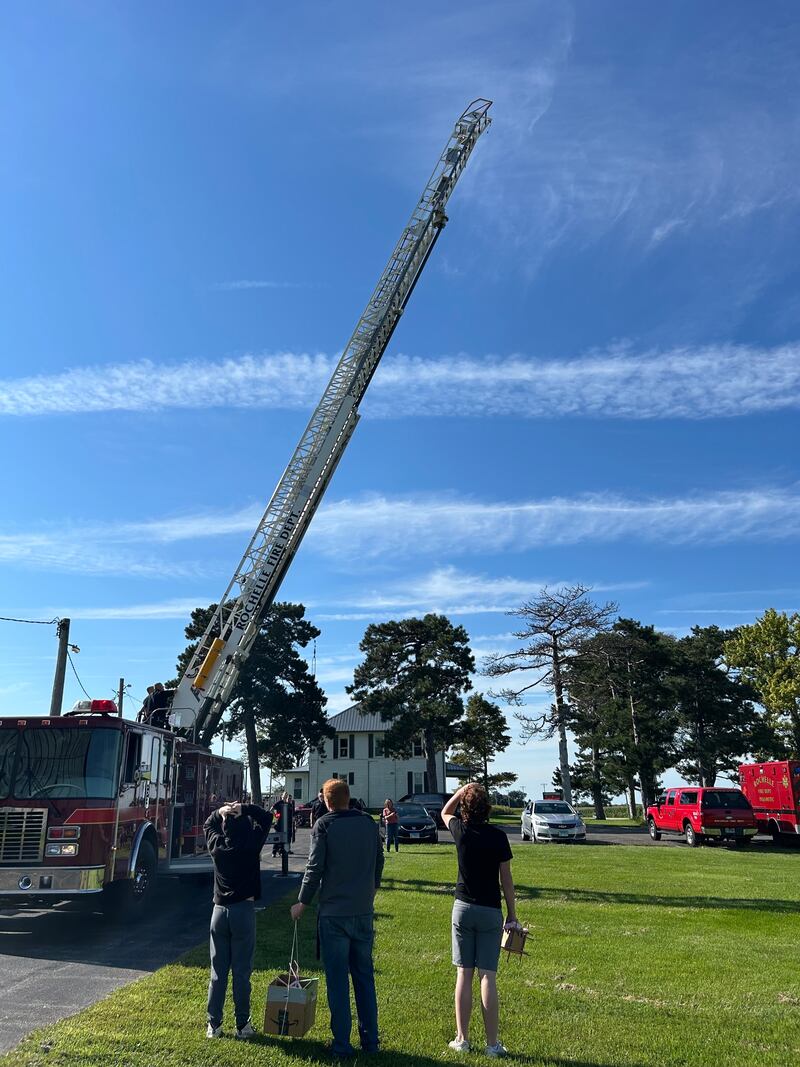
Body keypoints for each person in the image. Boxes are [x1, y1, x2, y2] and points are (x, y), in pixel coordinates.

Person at [291, 778, 384, 1057]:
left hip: (333, 914)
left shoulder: (325, 825)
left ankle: (342, 1045)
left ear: (327, 801)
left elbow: (314, 867)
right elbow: (379, 860)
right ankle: (371, 1042)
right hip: (363, 911)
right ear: (348, 797)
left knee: (338, 981)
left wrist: (302, 902)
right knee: (365, 978)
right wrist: (372, 888)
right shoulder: (369, 823)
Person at [441, 783, 518, 1058]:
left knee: (464, 973)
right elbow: (506, 880)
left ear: (465, 807)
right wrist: (512, 914)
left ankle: (462, 1039)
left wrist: (461, 791)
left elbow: (444, 812)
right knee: (488, 976)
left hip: (462, 907)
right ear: (488, 808)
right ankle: (492, 1044)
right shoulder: (499, 836)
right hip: (490, 910)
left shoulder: (460, 831)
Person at [204, 800, 273, 1040]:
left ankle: (214, 1025)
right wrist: (245, 808)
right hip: (243, 910)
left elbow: (208, 824)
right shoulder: (251, 844)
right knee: (241, 972)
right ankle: (243, 1025)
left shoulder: (217, 846)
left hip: (218, 911)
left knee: (217, 973)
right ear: (246, 827)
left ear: (224, 829)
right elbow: (267, 818)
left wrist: (220, 813)